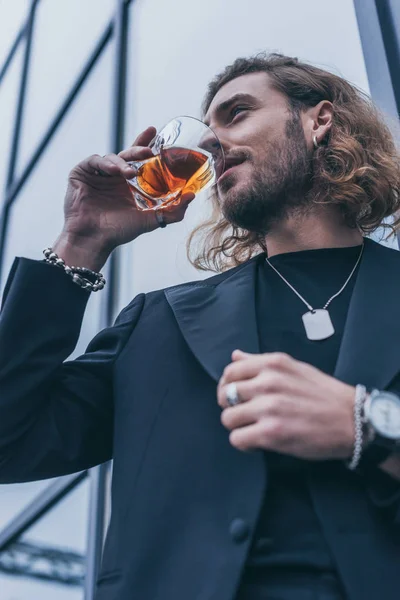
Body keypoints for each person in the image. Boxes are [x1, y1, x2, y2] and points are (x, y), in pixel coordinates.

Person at [1, 52, 400, 600]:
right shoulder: (157, 322)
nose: (212, 144)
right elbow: (8, 441)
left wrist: (371, 425)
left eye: (236, 113)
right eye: (204, 131)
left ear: (319, 120)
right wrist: (82, 242)